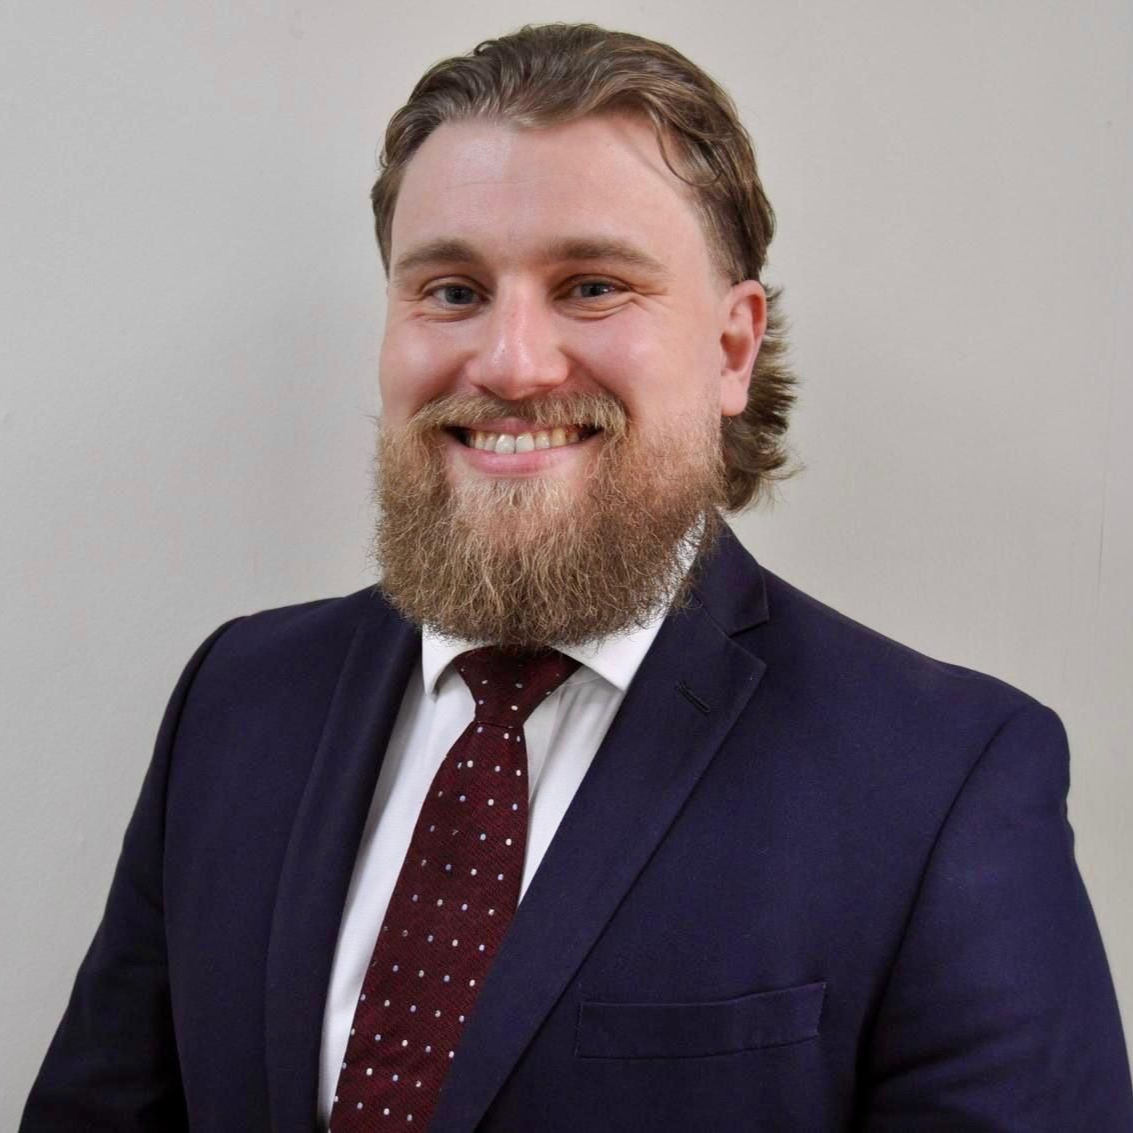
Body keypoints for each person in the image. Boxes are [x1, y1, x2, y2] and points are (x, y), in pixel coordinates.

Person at [21, 22, 1132, 1133]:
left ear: (731, 348)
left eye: (592, 286)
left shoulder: (941, 781)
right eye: (450, 290)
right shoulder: (236, 697)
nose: (508, 362)